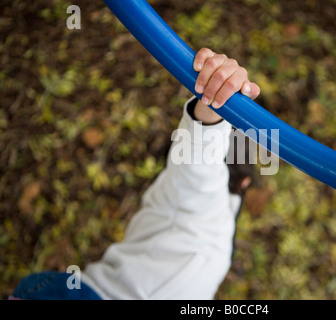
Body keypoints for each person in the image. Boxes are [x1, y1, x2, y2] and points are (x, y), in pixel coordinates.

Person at [9, 48, 261, 300]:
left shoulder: (216, 220)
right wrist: (215, 106)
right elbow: (198, 165)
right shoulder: (208, 203)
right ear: (244, 180)